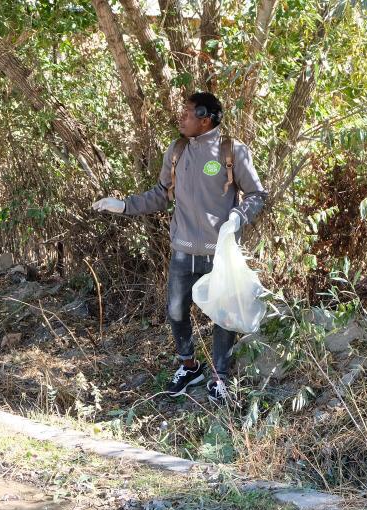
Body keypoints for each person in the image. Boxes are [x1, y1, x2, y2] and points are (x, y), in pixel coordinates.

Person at [93, 92, 267, 403]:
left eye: (187, 113)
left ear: (205, 117)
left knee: (223, 315)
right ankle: (190, 366)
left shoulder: (231, 150)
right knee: (175, 311)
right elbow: (161, 194)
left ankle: (220, 378)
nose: (181, 118)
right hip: (183, 250)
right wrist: (123, 205)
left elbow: (256, 194)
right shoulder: (177, 150)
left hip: (220, 252)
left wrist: (238, 218)